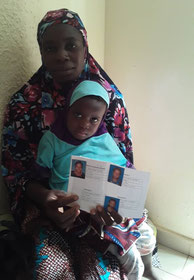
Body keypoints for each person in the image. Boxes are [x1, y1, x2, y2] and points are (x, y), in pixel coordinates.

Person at [1, 9, 158, 280]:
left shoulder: (111, 100)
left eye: (71, 45)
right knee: (49, 271)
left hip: (102, 213)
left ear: (85, 47)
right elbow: (16, 175)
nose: (62, 55)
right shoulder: (24, 105)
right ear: (41, 52)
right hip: (48, 207)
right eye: (50, 48)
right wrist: (44, 199)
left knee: (101, 273)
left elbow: (123, 165)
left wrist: (116, 205)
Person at [35, 80, 144, 279]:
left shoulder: (102, 139)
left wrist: (133, 185)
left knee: (145, 237)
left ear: (102, 119)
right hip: (71, 209)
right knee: (130, 257)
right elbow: (40, 175)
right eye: (78, 114)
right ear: (67, 110)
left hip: (103, 206)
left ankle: (149, 262)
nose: (85, 124)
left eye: (94, 119)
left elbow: (123, 167)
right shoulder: (52, 140)